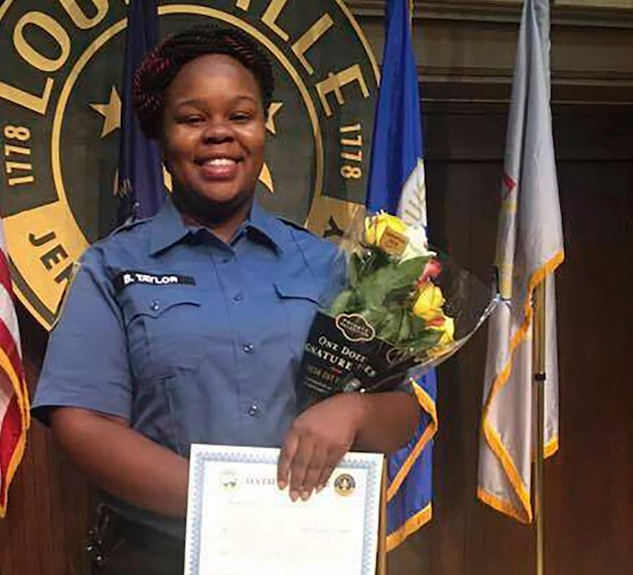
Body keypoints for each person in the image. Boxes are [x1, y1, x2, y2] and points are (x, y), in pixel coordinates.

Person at [32, 26, 420, 575]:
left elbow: (403, 413)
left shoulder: (329, 266)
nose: (220, 134)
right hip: (158, 556)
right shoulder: (112, 267)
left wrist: (353, 411)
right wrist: (227, 504)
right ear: (162, 139)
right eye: (193, 119)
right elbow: (81, 422)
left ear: (263, 131)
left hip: (305, 551)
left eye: (240, 116)